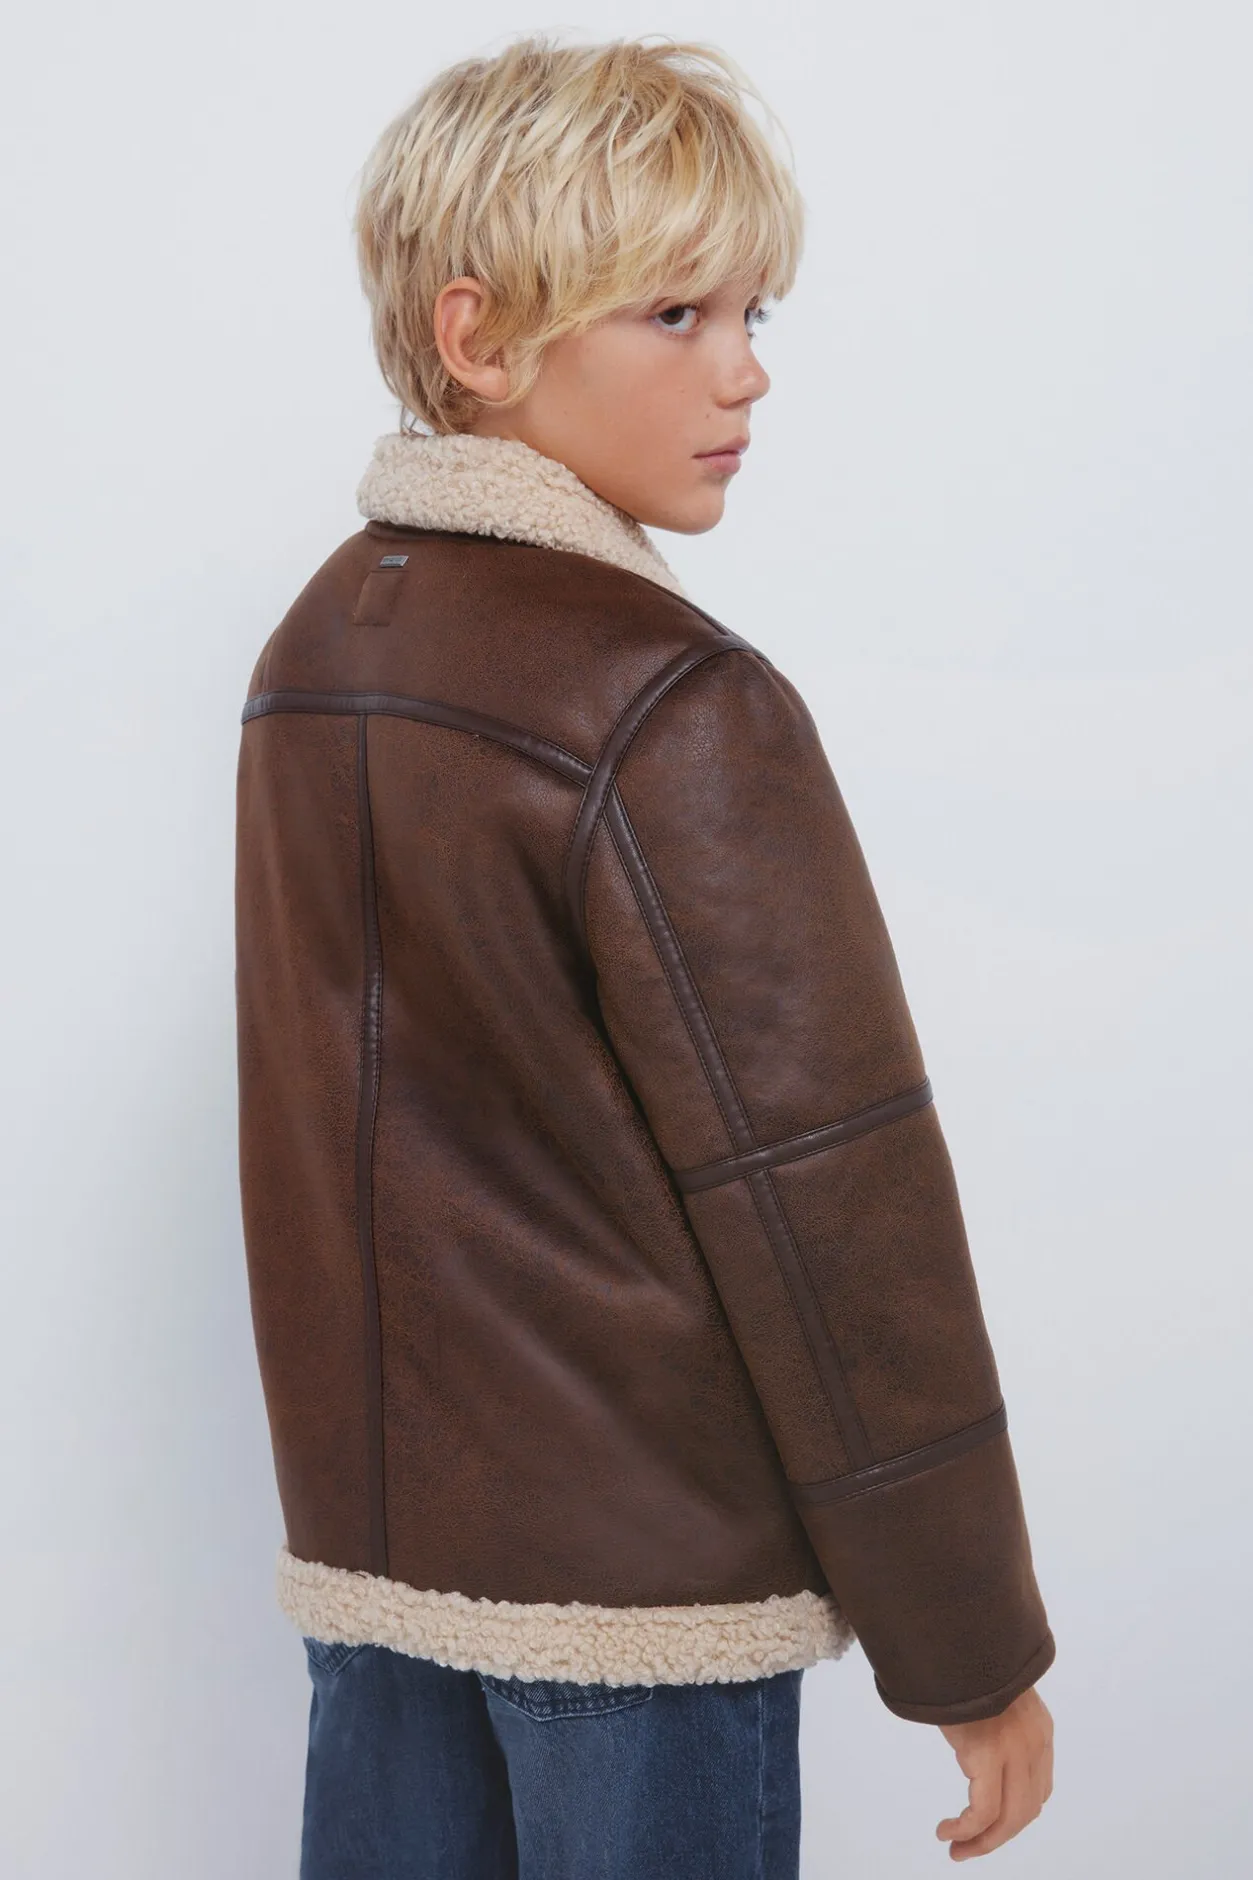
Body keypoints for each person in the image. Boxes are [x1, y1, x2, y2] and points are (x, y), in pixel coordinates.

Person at [234, 31, 1056, 1878]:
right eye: (676, 313)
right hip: (640, 1609)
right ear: (477, 339)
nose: (745, 371)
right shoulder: (668, 699)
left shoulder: (315, 651)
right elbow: (827, 1201)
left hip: (378, 1574)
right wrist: (970, 1645)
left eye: (755, 312)